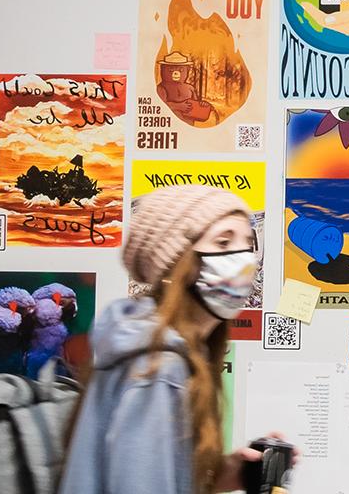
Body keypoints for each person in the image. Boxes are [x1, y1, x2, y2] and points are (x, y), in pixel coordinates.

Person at [61, 184, 293, 494]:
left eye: (248, 243)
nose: (244, 259)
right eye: (224, 242)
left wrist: (229, 473)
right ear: (174, 264)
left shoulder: (145, 345)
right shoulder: (157, 368)